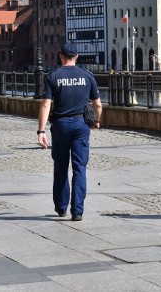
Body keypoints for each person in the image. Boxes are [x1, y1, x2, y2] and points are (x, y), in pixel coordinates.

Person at [37, 42, 102, 221]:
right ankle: (78, 211)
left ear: (61, 56)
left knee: (61, 166)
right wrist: (96, 121)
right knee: (80, 167)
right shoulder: (87, 76)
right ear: (77, 57)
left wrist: (40, 131)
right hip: (81, 125)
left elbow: (45, 104)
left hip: (61, 126)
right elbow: (97, 104)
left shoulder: (53, 77)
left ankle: (61, 207)